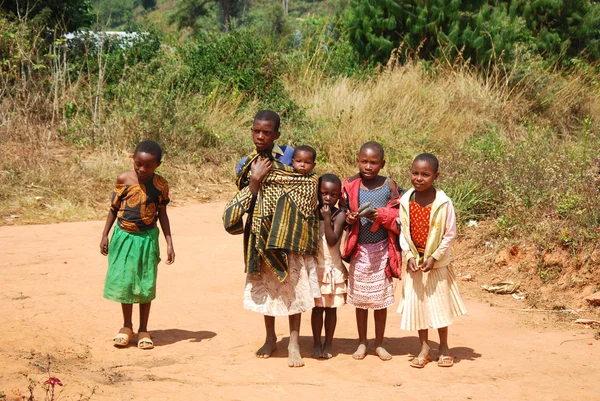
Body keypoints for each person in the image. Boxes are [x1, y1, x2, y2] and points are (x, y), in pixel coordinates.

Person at [223, 111, 320, 368]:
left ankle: (294, 343)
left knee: (293, 289)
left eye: (266, 132)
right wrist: (255, 180)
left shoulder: (290, 157)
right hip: (259, 236)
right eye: (256, 131)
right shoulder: (247, 164)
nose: (260, 136)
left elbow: (306, 185)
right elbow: (245, 196)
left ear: (276, 134)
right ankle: (270, 337)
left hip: (288, 235)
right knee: (267, 288)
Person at [100, 140, 175, 350]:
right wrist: (105, 234)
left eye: (148, 166)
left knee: (144, 283)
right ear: (133, 159)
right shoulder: (123, 179)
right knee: (125, 282)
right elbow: (113, 209)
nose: (142, 169)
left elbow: (162, 214)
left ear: (157, 165)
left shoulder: (161, 185)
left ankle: (143, 329)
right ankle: (126, 326)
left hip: (147, 239)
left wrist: (169, 242)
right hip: (123, 236)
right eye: (138, 164)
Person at [398, 153, 467, 368]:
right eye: (415, 173)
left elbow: (450, 234)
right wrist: (408, 256)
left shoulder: (443, 203)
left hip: (436, 264)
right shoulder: (405, 201)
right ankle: (424, 348)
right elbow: (403, 232)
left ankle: (444, 347)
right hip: (415, 263)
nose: (419, 178)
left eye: (425, 174)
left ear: (435, 176)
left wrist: (435, 257)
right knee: (419, 307)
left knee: (439, 306)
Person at [341, 141, 402, 361]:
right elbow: (342, 210)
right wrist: (348, 218)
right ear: (357, 161)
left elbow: (398, 213)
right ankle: (361, 342)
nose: (368, 166)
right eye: (364, 161)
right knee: (360, 300)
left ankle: (379, 343)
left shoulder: (389, 185)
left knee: (380, 300)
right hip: (360, 250)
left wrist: (382, 215)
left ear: (382, 163)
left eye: (373, 162)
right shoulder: (350, 184)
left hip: (383, 250)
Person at [311, 173, 347, 359]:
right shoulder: (311, 211)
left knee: (331, 309)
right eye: (324, 193)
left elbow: (333, 241)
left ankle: (329, 342)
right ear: (318, 192)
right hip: (315, 268)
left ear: (338, 196)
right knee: (317, 309)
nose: (327, 197)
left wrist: (326, 219)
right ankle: (317, 342)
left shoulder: (338, 215)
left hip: (332, 268)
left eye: (333, 195)